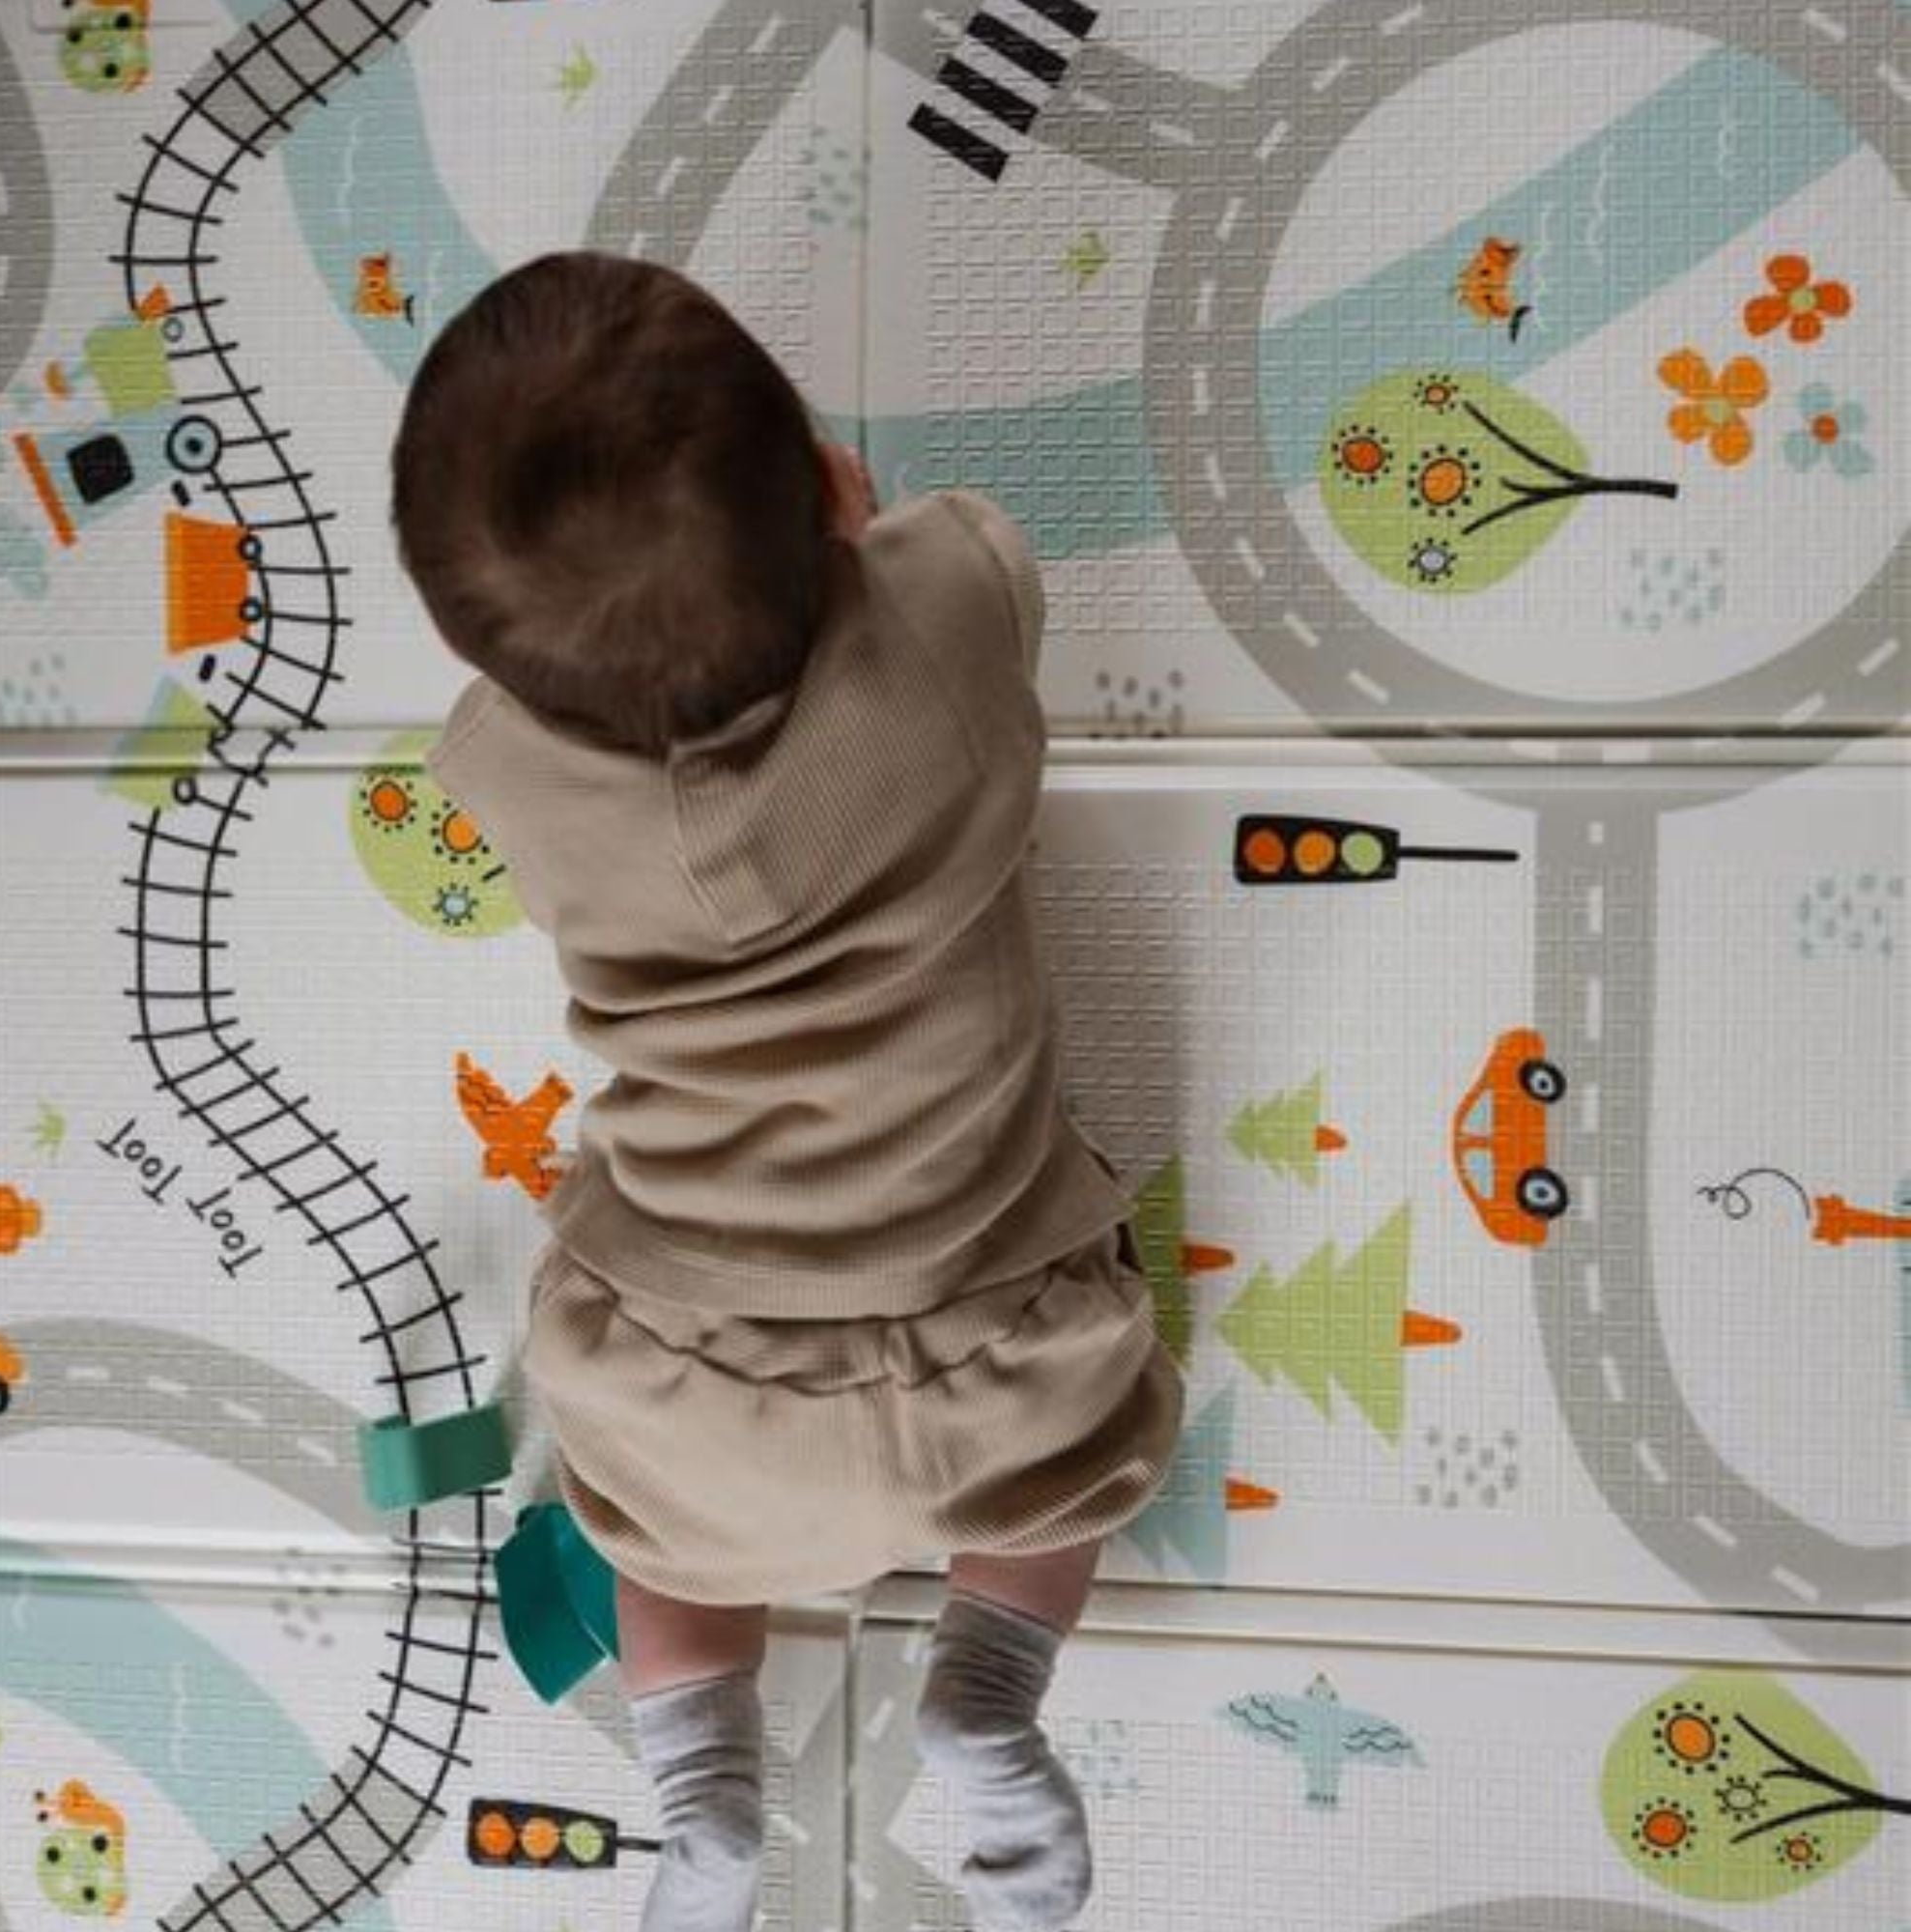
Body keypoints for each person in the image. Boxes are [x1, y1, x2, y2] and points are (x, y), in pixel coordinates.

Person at [390, 251, 1184, 1932]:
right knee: (1083, 1471)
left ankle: (705, 1803)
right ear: (835, 488)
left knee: (661, 1564)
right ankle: (985, 1689)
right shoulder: (952, 634)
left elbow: (514, 699)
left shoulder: (514, 774)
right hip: (1001, 1332)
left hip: (693, 1380)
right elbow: (974, 539)